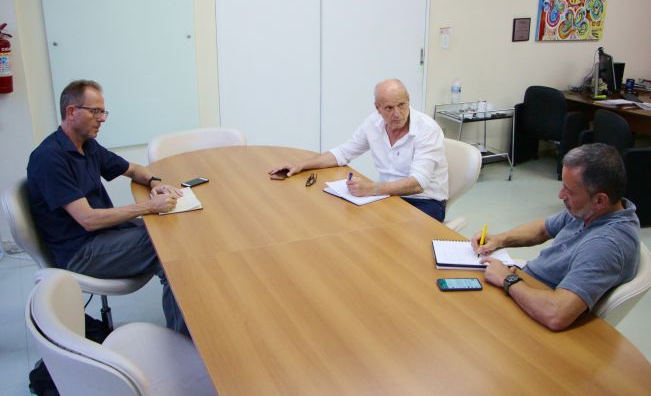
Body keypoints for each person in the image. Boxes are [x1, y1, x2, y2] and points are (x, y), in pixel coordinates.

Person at [27, 80, 189, 335]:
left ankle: (184, 325)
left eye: (103, 112)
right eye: (95, 111)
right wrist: (148, 206)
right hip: (81, 251)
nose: (102, 119)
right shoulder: (50, 158)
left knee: (167, 224)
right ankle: (183, 338)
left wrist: (155, 182)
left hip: (104, 235)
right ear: (71, 112)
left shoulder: (87, 146)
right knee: (166, 244)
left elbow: (133, 169)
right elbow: (88, 219)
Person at [472, 143, 640, 331]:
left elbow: (556, 313)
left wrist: (508, 280)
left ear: (600, 200)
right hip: (525, 287)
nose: (561, 195)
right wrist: (499, 239)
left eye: (569, 191)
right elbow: (543, 229)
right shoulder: (590, 210)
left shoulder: (605, 245)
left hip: (536, 309)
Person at [269, 78, 449, 221]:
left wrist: (372, 189)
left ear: (409, 101)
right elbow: (343, 152)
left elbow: (418, 183)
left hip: (426, 202)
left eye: (401, 105)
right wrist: (301, 165)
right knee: (348, 220)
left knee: (388, 238)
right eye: (388, 108)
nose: (397, 114)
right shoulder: (373, 123)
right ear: (377, 108)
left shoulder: (427, 129)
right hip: (389, 196)